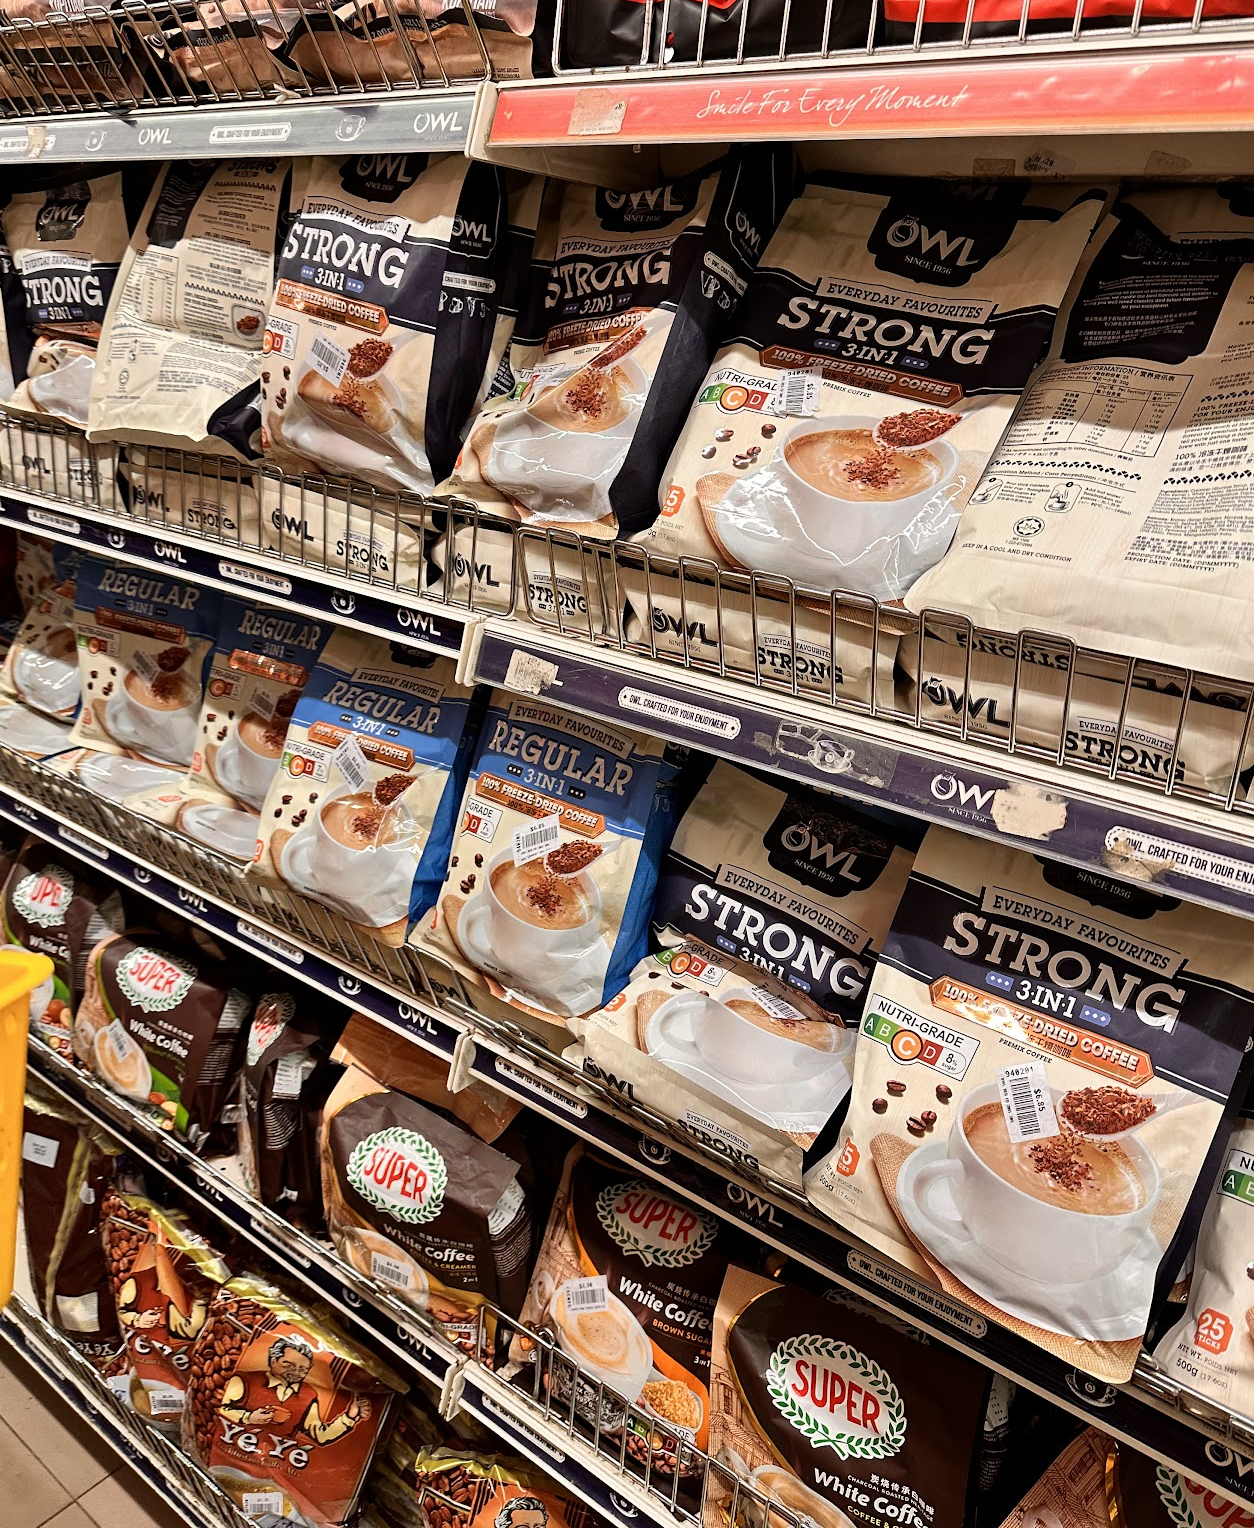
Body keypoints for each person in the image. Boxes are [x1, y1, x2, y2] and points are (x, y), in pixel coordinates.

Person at [218, 1332, 372, 1444]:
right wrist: (248, 1417)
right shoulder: (245, 1380)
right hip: (230, 1447)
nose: (295, 1372)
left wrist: (349, 1417)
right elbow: (221, 1408)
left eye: (302, 1369)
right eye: (288, 1365)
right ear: (273, 1361)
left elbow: (321, 1435)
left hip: (276, 1464)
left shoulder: (308, 1395)